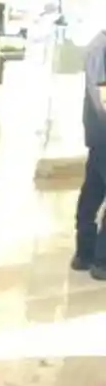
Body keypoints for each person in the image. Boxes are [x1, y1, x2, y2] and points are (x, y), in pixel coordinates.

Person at [71, 27, 106, 278]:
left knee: (93, 192)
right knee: (92, 194)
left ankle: (85, 254)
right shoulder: (100, 48)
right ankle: (101, 260)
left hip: (99, 135)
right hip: (103, 134)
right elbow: (101, 94)